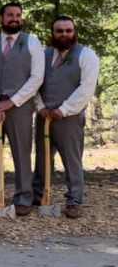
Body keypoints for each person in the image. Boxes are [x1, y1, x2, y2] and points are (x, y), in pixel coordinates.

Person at [32, 15, 99, 219]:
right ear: (53, 33)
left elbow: (86, 89)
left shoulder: (86, 55)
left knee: (72, 161)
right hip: (44, 116)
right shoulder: (44, 55)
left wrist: (64, 109)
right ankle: (39, 195)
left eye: (68, 30)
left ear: (74, 32)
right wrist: (40, 107)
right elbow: (34, 83)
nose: (64, 34)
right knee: (42, 159)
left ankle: (74, 200)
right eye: (59, 31)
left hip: (69, 118)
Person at [0, 3, 44, 216]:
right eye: (10, 15)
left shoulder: (32, 42)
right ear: (1, 18)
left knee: (21, 151)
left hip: (20, 107)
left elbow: (36, 78)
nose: (14, 18)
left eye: (18, 15)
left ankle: (24, 196)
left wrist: (12, 102)